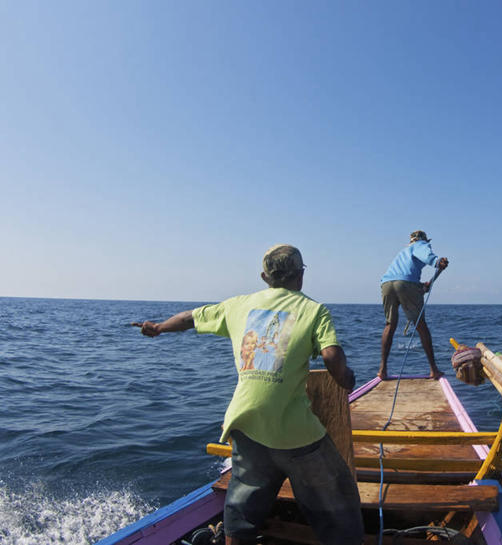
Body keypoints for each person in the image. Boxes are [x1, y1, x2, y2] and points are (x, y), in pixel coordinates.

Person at [134, 244, 364, 545]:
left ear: (264, 276)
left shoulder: (237, 305)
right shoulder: (313, 310)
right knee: (337, 491)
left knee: (241, 505)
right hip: (295, 433)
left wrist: (158, 327)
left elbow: (190, 318)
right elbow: (331, 355)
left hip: (246, 423)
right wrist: (345, 379)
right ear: (301, 275)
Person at [379, 230, 449, 380]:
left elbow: (401, 277)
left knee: (389, 325)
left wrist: (421, 287)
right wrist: (437, 261)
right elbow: (426, 255)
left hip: (386, 283)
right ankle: (434, 370)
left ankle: (382, 370)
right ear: (423, 240)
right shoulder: (421, 244)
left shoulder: (403, 251)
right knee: (421, 326)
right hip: (405, 283)